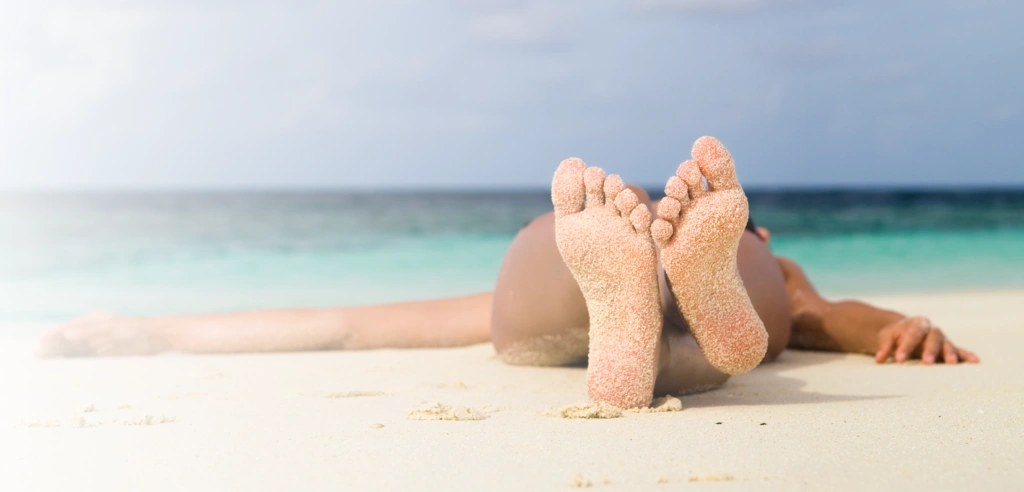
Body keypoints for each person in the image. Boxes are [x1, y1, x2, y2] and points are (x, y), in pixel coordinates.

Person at [36, 136, 979, 409]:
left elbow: (355, 325)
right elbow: (832, 315)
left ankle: (580, 273)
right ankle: (706, 293)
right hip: (744, 297)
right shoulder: (779, 261)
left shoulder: (570, 244)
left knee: (525, 299)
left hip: (564, 295)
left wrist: (160, 332)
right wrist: (896, 327)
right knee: (771, 306)